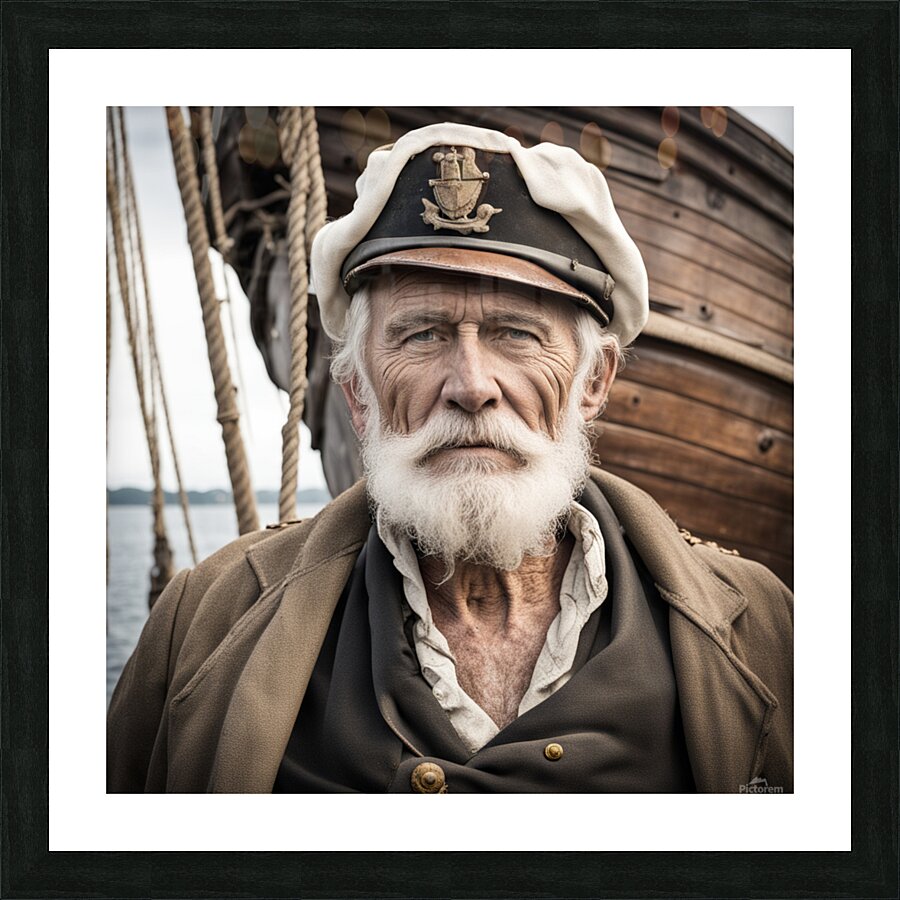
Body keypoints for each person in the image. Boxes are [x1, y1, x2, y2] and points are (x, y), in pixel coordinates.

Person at [107, 122, 793, 793]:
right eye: (422, 335)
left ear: (594, 382)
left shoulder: (765, 630)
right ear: (357, 392)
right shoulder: (204, 625)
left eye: (516, 333)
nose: (471, 386)